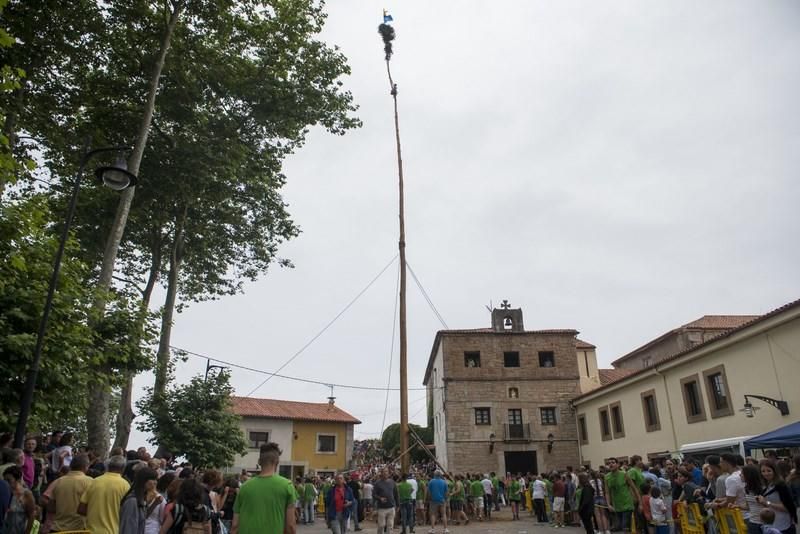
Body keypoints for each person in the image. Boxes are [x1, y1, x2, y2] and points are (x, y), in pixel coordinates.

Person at [231, 443, 296, 534]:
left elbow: (235, 525)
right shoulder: (287, 486)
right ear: (276, 462)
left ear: (259, 461)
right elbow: (290, 525)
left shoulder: (244, 487)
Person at [79, 455, 131, 534]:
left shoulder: (94, 481)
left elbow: (81, 509)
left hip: (90, 530)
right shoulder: (126, 486)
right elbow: (126, 514)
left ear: (108, 466)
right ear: (123, 468)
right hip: (112, 531)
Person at [41, 453, 93, 532]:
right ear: (86, 466)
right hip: (78, 529)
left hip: (57, 528)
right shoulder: (91, 482)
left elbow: (51, 508)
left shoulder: (59, 481)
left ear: (71, 466)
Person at [757, 459, 796, 534]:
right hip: (770, 524)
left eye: (769, 470)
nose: (766, 473)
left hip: (782, 524)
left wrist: (767, 502)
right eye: (763, 471)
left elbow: (787, 507)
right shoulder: (765, 485)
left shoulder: (781, 485)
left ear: (774, 471)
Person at [120, 466, 159, 534]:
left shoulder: (141, 499)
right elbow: (128, 528)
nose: (155, 482)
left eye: (156, 479)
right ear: (143, 480)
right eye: (152, 479)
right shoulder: (132, 502)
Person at [605, 458, 639, 533]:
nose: (611, 464)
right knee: (622, 527)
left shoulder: (624, 474)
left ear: (617, 464)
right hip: (617, 506)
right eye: (609, 463)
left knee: (625, 527)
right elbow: (607, 492)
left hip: (627, 505)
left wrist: (640, 503)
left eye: (613, 462)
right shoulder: (607, 477)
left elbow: (634, 488)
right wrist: (608, 504)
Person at [2, 466, 36, 534]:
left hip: (20, 530)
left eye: (9, 480)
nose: (6, 483)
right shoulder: (5, 493)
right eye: (4, 480)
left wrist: (27, 532)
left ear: (17, 480)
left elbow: (31, 516)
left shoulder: (26, 494)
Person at [590, 470, 610, 534]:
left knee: (597, 516)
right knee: (603, 515)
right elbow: (604, 489)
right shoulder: (600, 481)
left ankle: (600, 530)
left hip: (595, 498)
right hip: (601, 497)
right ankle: (606, 530)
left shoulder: (590, 482)